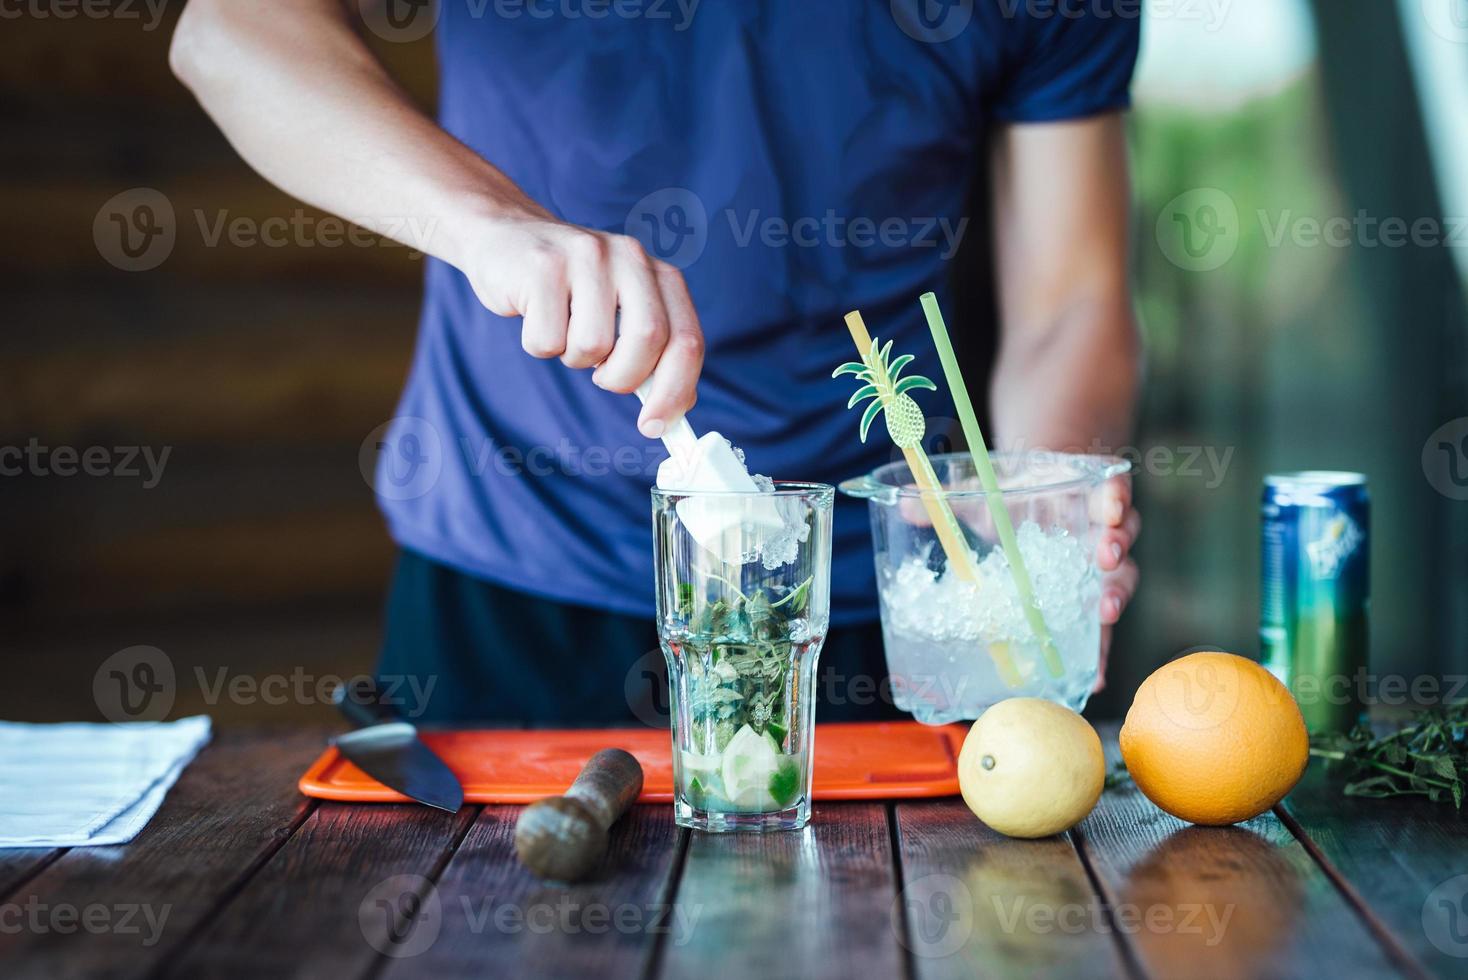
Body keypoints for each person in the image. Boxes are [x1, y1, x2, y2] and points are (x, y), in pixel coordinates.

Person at [171, 1, 1142, 724]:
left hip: (883, 616)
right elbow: (230, 32)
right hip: (516, 571)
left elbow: (1073, 299)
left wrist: (1036, 498)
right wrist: (495, 226)